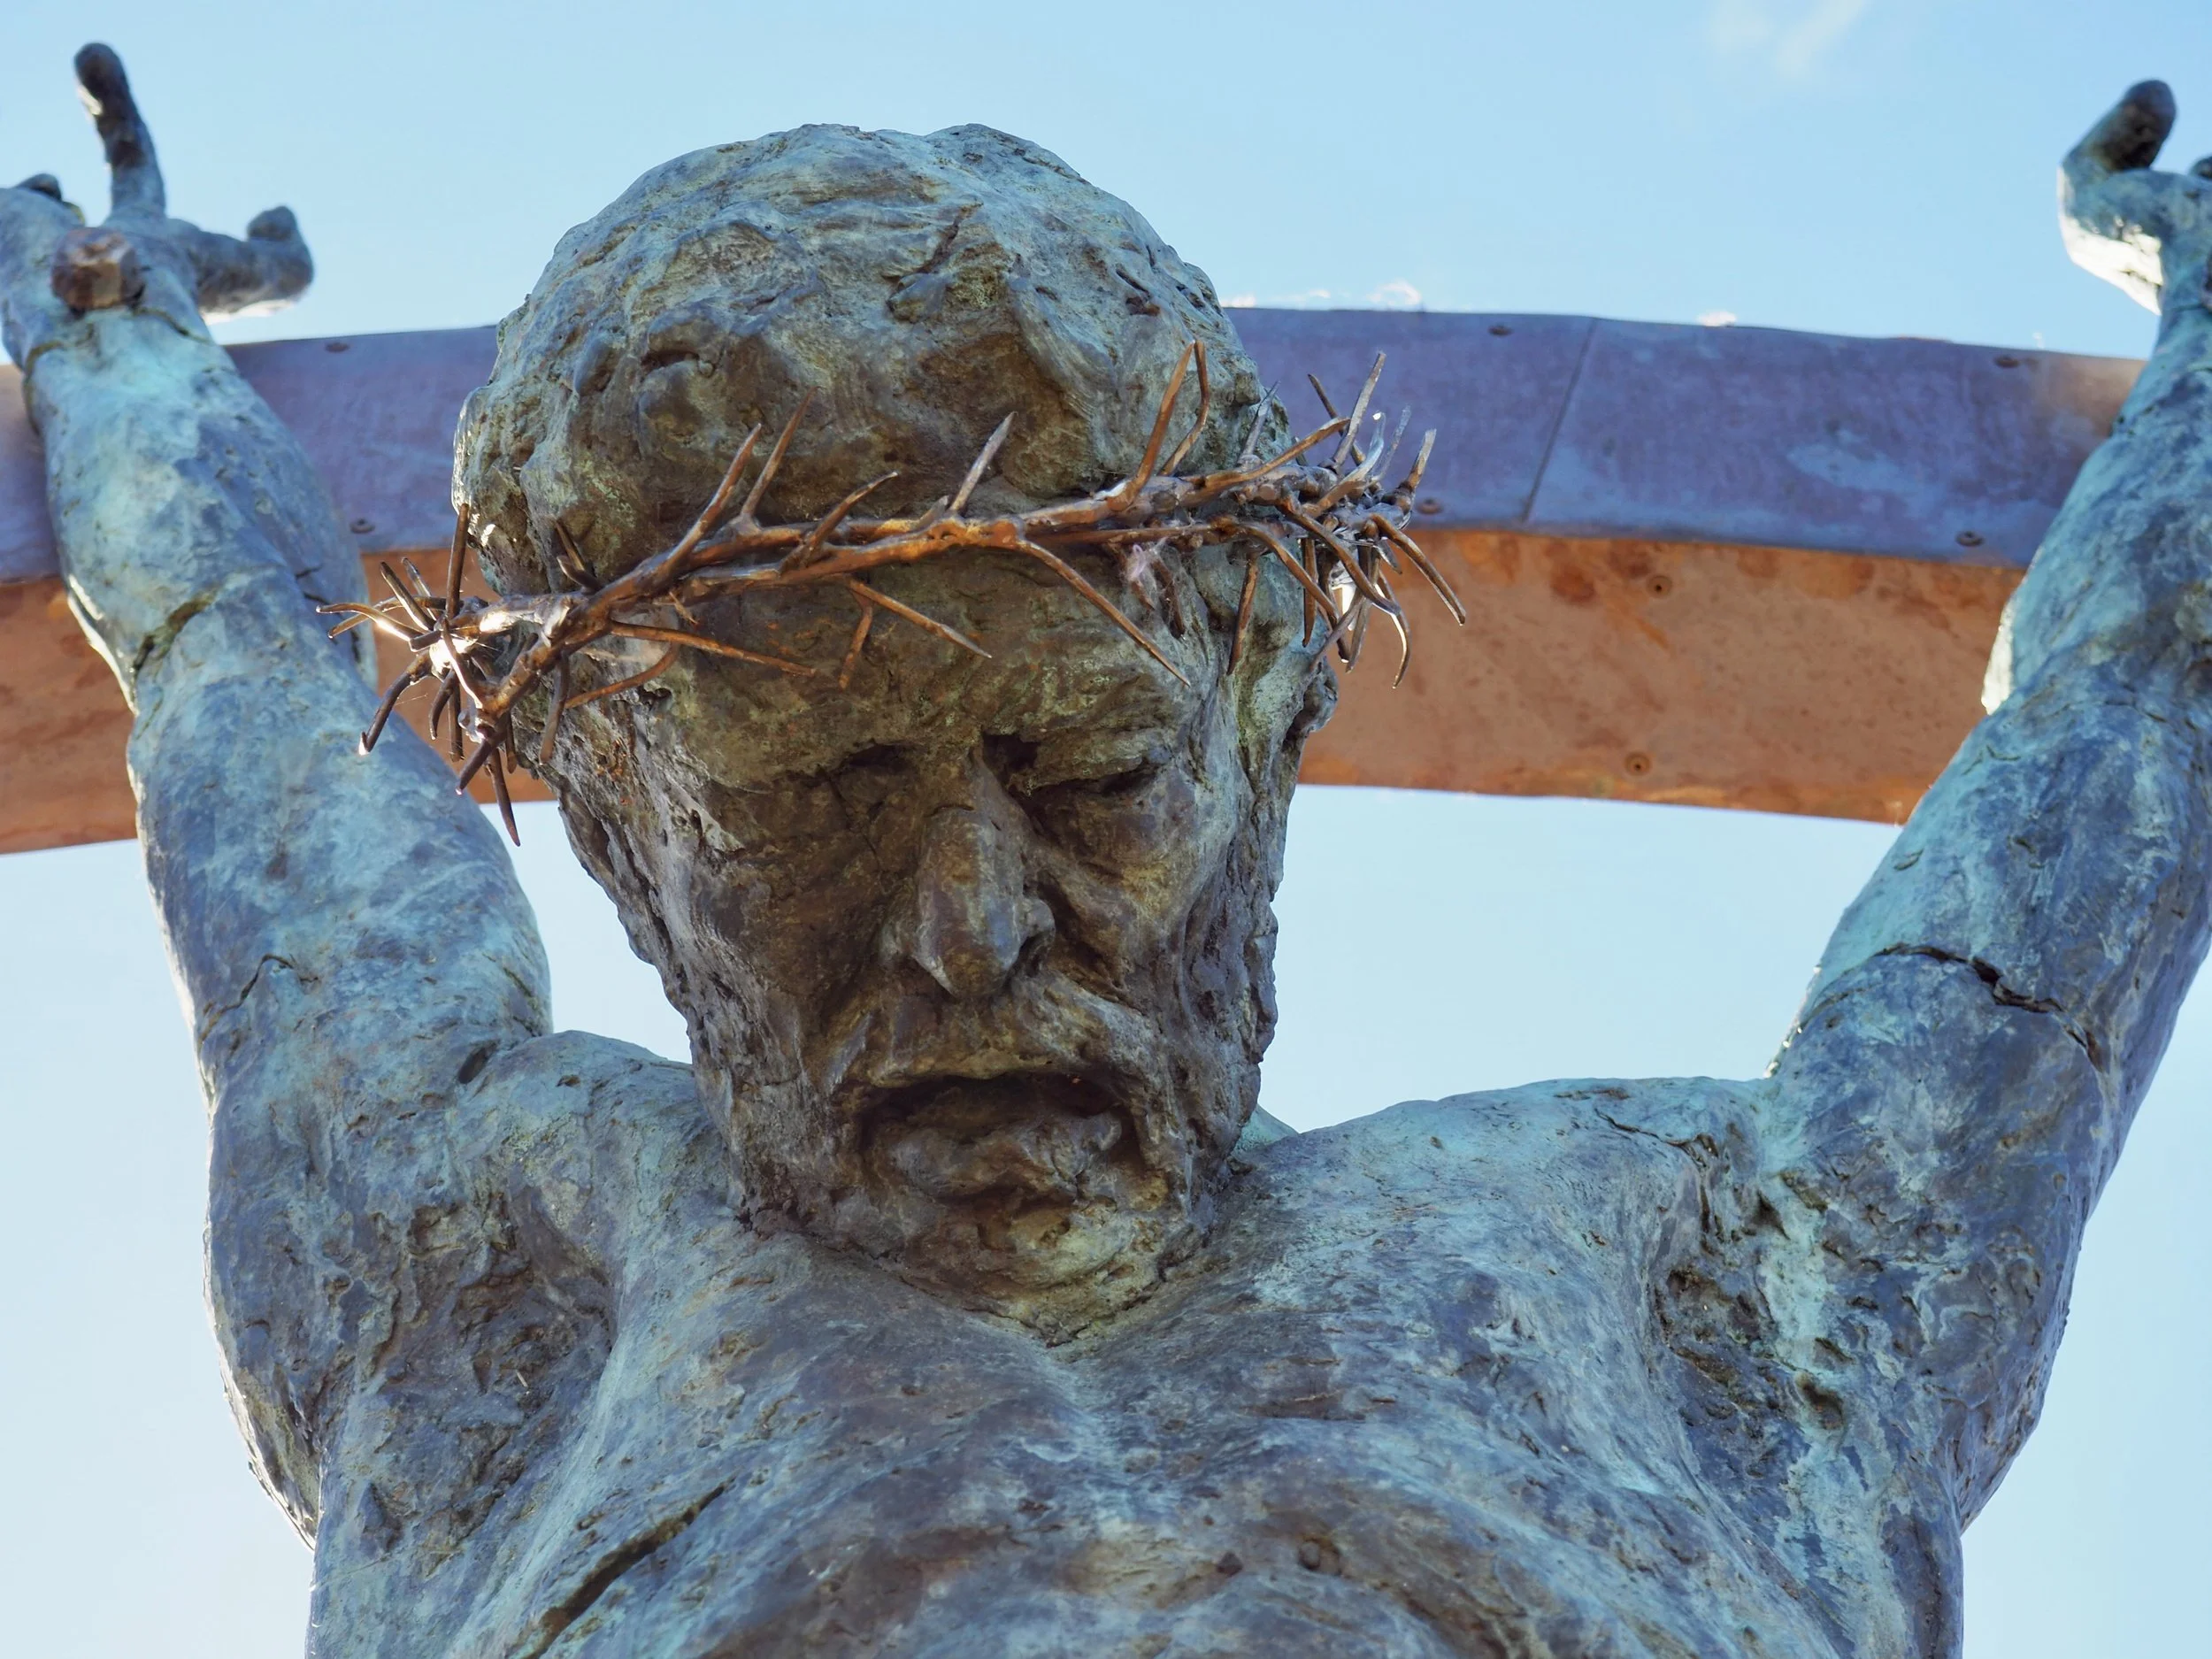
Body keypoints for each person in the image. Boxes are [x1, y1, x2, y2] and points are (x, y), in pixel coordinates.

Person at [8, 41, 2208, 1657]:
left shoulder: (1711, 1267)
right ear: (616, 824)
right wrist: (114, 337)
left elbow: (2124, 707)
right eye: (813, 807)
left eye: (1082, 773)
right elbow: (244, 686)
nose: (966, 933)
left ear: (1263, 702)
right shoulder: (490, 1263)